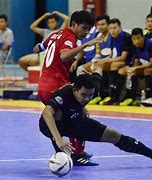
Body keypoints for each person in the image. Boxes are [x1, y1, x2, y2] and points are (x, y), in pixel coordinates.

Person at [39, 74, 152, 172]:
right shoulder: (64, 94)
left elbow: (96, 75)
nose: (87, 98)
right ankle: (63, 152)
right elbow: (46, 112)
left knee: (113, 135)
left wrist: (82, 106)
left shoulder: (92, 85)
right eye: (83, 95)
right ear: (75, 90)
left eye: (90, 95)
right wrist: (58, 139)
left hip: (74, 121)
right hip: (50, 126)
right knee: (55, 113)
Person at [34, 10, 102, 166]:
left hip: (43, 86)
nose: (85, 32)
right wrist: (84, 45)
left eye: (88, 30)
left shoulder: (55, 35)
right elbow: (64, 56)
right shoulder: (70, 38)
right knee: (81, 116)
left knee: (66, 118)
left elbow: (37, 48)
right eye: (84, 28)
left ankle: (69, 152)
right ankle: (77, 154)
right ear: (74, 24)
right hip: (56, 85)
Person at [113, 28, 152, 106]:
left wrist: (136, 68)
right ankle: (130, 97)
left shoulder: (151, 44)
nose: (136, 41)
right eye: (134, 39)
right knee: (128, 71)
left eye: (138, 38)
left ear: (143, 37)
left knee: (148, 71)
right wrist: (132, 69)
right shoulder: (134, 46)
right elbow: (136, 61)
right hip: (149, 64)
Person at [72, 15, 112, 105]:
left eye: (103, 24)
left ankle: (97, 94)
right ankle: (83, 93)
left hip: (107, 61)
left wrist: (98, 61)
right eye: (99, 24)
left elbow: (111, 53)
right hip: (97, 60)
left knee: (97, 68)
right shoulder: (96, 35)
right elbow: (97, 52)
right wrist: (78, 60)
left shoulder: (111, 36)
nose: (101, 26)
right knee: (80, 69)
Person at [92, 18, 133, 105]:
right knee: (99, 66)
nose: (112, 31)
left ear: (120, 27)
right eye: (110, 28)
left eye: (115, 28)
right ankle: (102, 95)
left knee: (113, 66)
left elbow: (123, 57)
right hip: (118, 61)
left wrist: (104, 60)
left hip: (129, 62)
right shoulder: (113, 38)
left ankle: (115, 97)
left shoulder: (126, 37)